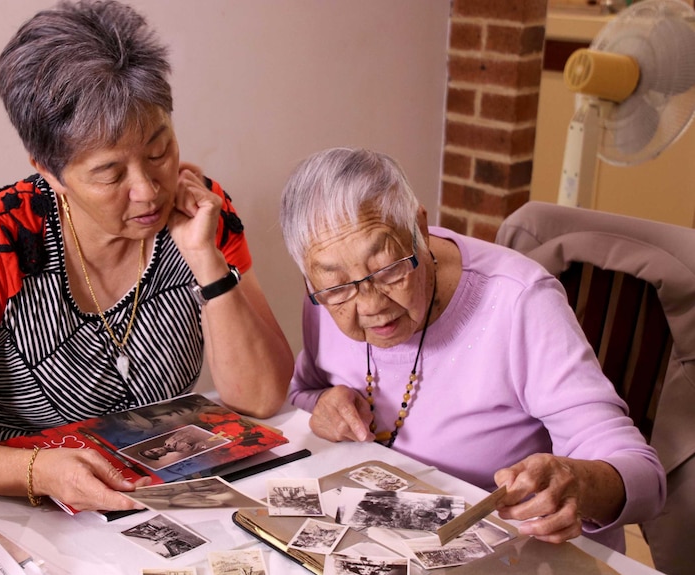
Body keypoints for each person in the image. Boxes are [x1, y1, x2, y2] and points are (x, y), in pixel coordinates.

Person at [0, 0, 293, 513]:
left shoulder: (199, 208)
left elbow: (262, 399)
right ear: (48, 170)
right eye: (111, 173)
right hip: (14, 506)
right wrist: (37, 471)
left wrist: (206, 261)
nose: (147, 191)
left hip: (146, 501)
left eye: (159, 151)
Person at [279, 147, 665, 551]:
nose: (372, 304)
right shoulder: (324, 301)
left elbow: (645, 476)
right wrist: (323, 402)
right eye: (338, 286)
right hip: (376, 538)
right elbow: (301, 394)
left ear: (419, 228)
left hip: (506, 552)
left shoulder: (520, 301)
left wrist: (578, 481)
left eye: (390, 268)